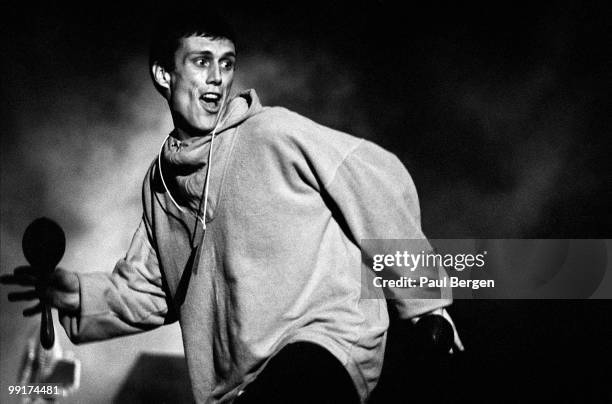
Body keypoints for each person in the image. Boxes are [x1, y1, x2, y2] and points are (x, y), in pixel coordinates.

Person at [2, 7, 462, 403]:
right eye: (201, 62)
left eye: (226, 63)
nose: (218, 77)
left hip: (323, 348)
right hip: (240, 385)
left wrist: (426, 306)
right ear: (165, 75)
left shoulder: (273, 134)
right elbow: (154, 289)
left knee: (300, 375)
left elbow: (375, 176)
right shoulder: (160, 185)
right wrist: (79, 294)